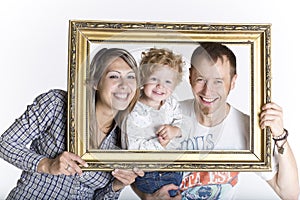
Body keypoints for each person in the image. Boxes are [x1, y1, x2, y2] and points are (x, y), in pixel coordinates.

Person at [132, 42, 300, 199]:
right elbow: (135, 166)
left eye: (218, 81)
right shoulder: (166, 113)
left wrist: (279, 136)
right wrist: (148, 197)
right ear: (190, 77)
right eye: (201, 80)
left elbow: (289, 193)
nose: (208, 91)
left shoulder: (248, 129)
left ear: (233, 82)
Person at [0, 48, 144, 199]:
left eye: (131, 77)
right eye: (114, 76)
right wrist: (46, 164)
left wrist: (117, 186)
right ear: (96, 82)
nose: (124, 85)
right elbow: (6, 143)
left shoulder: (126, 140)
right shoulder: (56, 103)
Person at [123, 48, 185, 197]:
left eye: (168, 81)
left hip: (174, 168)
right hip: (147, 173)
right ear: (143, 79)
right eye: (154, 79)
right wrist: (158, 145)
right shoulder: (132, 108)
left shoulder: (171, 103)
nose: (160, 86)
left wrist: (174, 130)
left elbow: (182, 126)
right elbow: (130, 146)